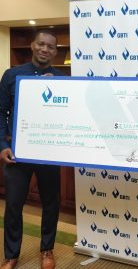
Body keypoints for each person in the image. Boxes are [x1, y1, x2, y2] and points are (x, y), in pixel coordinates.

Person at [0, 30, 64, 269]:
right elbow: (1, 112)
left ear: (55, 52)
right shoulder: (12, 75)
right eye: (41, 44)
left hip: (48, 153)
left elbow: (68, 116)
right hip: (17, 153)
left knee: (51, 203)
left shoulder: (61, 79)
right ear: (32, 45)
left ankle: (47, 249)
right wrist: (3, 146)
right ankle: (11, 254)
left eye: (50, 47)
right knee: (14, 205)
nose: (45, 49)